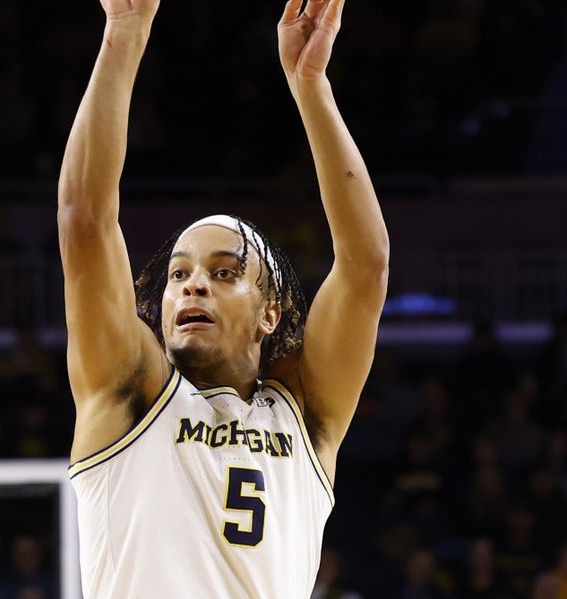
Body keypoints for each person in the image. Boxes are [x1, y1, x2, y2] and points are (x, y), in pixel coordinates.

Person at [57, 0, 389, 597]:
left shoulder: (306, 412)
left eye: (226, 271)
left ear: (270, 313)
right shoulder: (128, 391)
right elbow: (84, 222)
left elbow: (366, 268)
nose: (193, 283)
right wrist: (125, 31)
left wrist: (311, 86)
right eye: (178, 275)